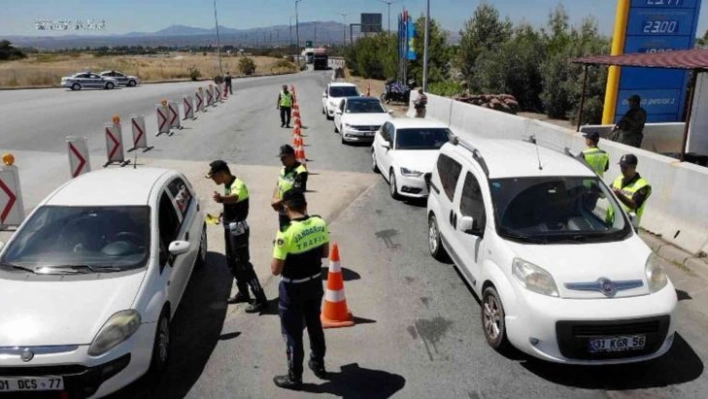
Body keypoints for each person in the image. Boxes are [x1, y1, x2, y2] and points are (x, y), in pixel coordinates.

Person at [270, 188, 329, 389]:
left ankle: (295, 377)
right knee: (314, 325)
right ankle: (318, 364)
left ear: (286, 207)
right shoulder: (320, 223)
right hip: (314, 283)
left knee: (293, 333)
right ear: (305, 204)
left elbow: (275, 270)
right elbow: (325, 253)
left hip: (292, 288)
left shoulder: (285, 233)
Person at [207, 160, 268, 313]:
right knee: (231, 262)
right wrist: (222, 212)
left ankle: (261, 299)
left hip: (238, 231)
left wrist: (221, 199)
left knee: (243, 265)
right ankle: (243, 292)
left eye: (214, 177)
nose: (213, 180)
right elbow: (232, 203)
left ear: (221, 174)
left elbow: (234, 198)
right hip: (229, 229)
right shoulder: (227, 185)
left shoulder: (238, 185)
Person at [271, 145, 308, 231]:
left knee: (296, 234)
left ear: (292, 156)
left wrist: (277, 202)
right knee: (284, 234)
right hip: (282, 209)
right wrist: (274, 198)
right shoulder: (283, 169)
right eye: (281, 158)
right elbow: (278, 184)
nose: (281, 160)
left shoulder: (300, 171)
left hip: (295, 211)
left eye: (284, 157)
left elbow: (296, 192)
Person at [610, 154, 652, 227]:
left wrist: (619, 194)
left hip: (629, 227)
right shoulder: (618, 179)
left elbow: (634, 205)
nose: (622, 170)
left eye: (625, 167)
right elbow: (606, 191)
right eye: (621, 166)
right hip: (612, 222)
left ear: (634, 167)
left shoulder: (642, 186)